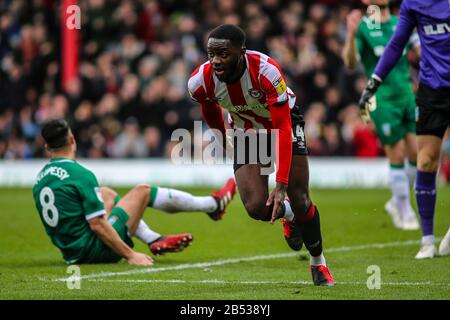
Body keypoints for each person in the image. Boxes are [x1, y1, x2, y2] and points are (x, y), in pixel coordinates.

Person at [188, 24, 335, 286]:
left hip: (284, 125)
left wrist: (281, 185)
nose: (216, 60)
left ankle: (318, 263)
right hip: (246, 131)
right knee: (256, 207)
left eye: (223, 53)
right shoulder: (200, 81)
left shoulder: (266, 71)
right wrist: (225, 141)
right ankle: (289, 216)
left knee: (300, 198)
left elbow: (281, 127)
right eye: (211, 53)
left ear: (241, 52)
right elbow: (209, 111)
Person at [33, 119, 236, 265]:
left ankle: (153, 238)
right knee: (142, 191)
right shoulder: (80, 174)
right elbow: (97, 225)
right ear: (72, 139)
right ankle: (213, 204)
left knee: (107, 195)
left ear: (46, 146)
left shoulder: (40, 180)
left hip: (71, 253)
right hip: (93, 251)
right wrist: (131, 255)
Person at [359, 0, 450, 259]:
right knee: (426, 160)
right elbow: (397, 43)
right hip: (431, 91)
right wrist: (374, 81)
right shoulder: (413, 5)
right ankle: (427, 240)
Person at [342, 0, 420, 230]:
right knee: (395, 152)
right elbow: (349, 62)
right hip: (381, 98)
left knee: (417, 154)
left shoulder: (400, 22)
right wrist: (350, 34)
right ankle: (404, 209)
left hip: (407, 94)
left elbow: (421, 50)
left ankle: (397, 201)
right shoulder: (364, 26)